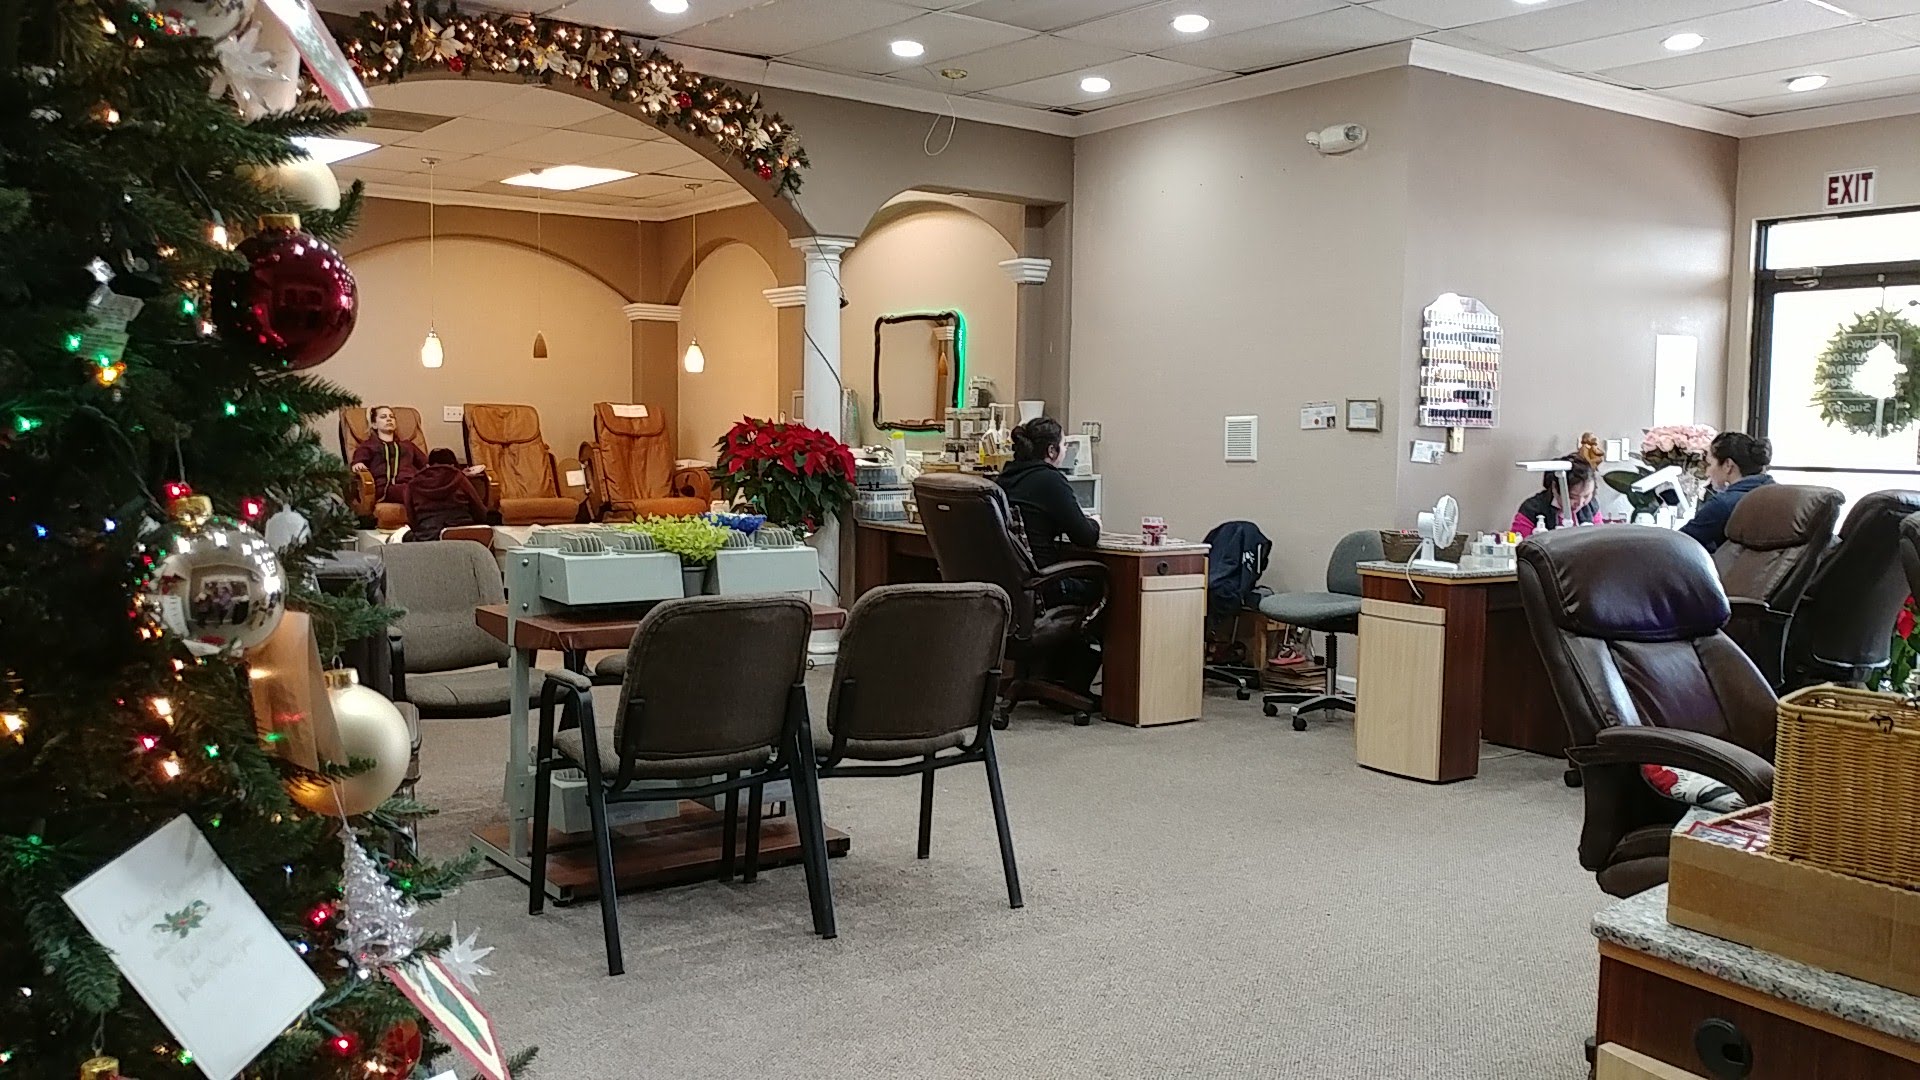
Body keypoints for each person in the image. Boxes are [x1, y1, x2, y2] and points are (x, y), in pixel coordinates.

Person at [997, 417, 1100, 570]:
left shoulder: (1003, 479)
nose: (1065, 450)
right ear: (1052, 451)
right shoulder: (1051, 480)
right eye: (1064, 445)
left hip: (1010, 576)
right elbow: (1086, 537)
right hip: (1042, 576)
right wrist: (1095, 523)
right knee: (1101, 578)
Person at [1680, 432, 1774, 553]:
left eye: (1710, 464)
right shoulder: (1780, 496)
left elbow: (1677, 544)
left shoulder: (1723, 504)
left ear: (1728, 465)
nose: (1707, 472)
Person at [404, 449, 490, 542]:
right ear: (453, 465)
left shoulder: (413, 483)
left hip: (428, 537)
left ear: (428, 465)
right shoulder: (459, 478)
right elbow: (479, 510)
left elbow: (411, 517)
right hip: (462, 535)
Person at [350, 405, 429, 505]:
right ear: (374, 425)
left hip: (412, 483)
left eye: (391, 417)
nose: (389, 419)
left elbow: (426, 465)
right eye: (383, 417)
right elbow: (357, 462)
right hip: (386, 488)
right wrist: (358, 464)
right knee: (418, 493)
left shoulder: (408, 445)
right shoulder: (369, 446)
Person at [1511, 455, 1598, 538]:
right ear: (1555, 488)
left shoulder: (1591, 506)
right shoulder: (1531, 510)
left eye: (1586, 496)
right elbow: (1521, 545)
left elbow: (1600, 539)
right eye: (1572, 497)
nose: (1580, 503)